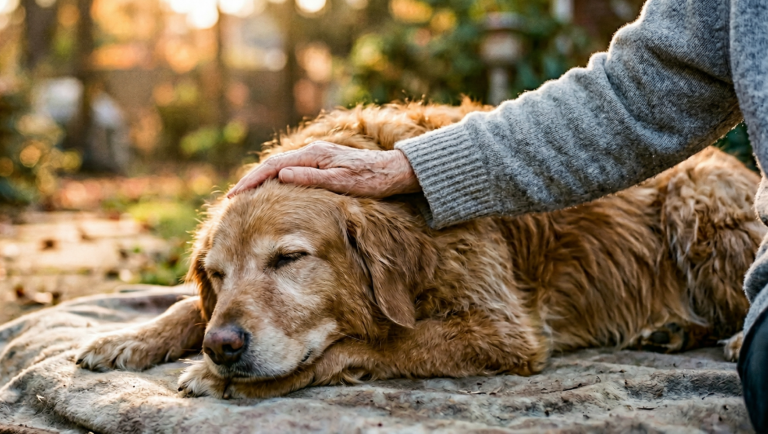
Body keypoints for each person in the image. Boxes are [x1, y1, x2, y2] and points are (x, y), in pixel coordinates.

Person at [226, 0, 767, 430]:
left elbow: (503, 340)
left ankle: (737, 316)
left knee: (706, 201)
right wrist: (406, 167)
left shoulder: (390, 239)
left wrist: (334, 362)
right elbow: (635, 96)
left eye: (287, 258)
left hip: (681, 210)